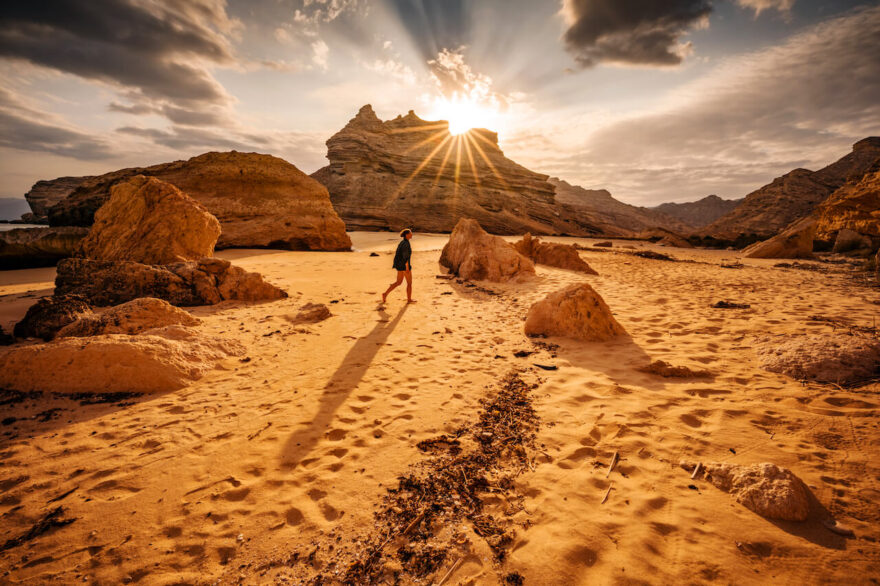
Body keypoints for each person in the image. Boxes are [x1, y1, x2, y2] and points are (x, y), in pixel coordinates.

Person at [382, 229, 415, 303]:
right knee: (409, 283)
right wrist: (407, 267)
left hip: (399, 265)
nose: (412, 234)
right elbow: (405, 257)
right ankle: (409, 299)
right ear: (407, 235)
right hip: (404, 265)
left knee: (398, 282)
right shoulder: (406, 243)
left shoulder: (402, 242)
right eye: (410, 233)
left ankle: (385, 294)